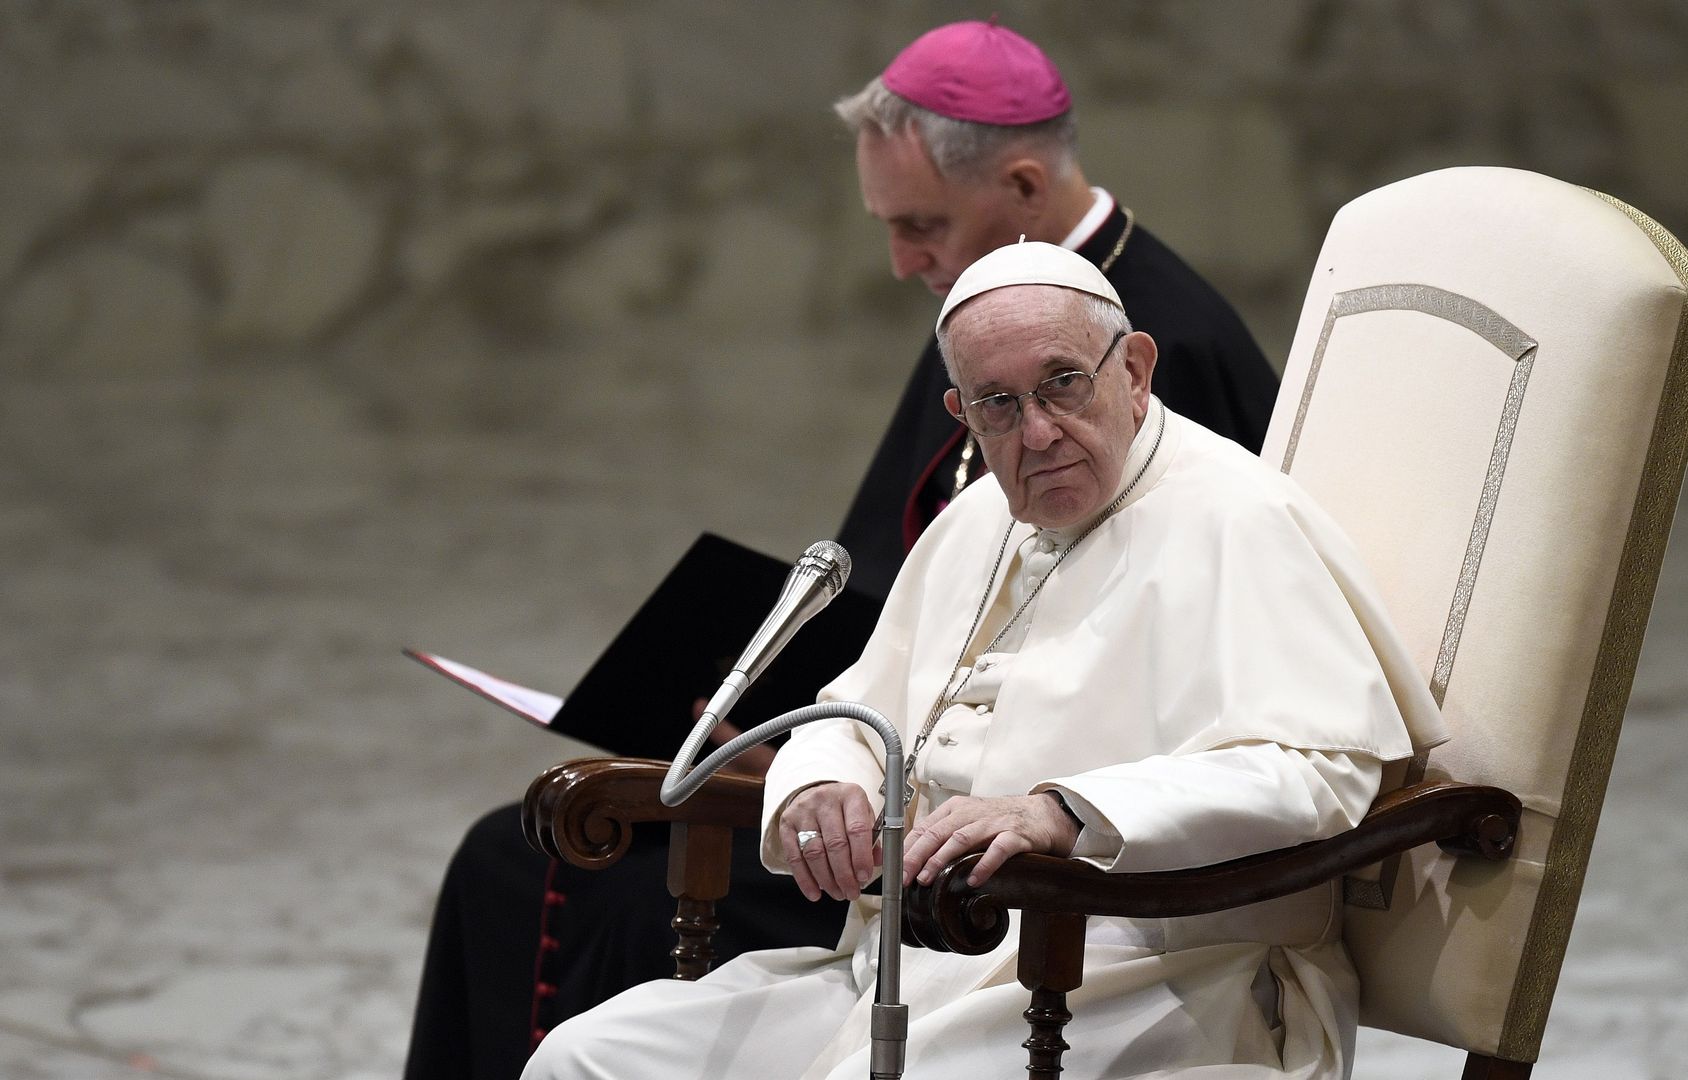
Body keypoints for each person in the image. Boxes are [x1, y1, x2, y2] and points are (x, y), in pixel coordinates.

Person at [404, 20, 1281, 1080]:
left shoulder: (1165, 346)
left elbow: (1164, 686)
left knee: (580, 881)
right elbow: (898, 596)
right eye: (994, 406)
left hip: (1034, 878)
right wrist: (803, 736)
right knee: (512, 856)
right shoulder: (989, 312)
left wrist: (987, 793)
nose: (903, 261)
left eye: (921, 224)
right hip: (895, 789)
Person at [522, 242, 1444, 1080]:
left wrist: (1065, 812)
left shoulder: (1239, 519)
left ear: (1134, 370)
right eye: (999, 405)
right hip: (907, 963)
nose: (1036, 432)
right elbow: (856, 712)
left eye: (1062, 385)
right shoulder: (977, 519)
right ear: (962, 414)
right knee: (587, 1059)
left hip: (1145, 978)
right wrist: (822, 783)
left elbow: (1321, 771)